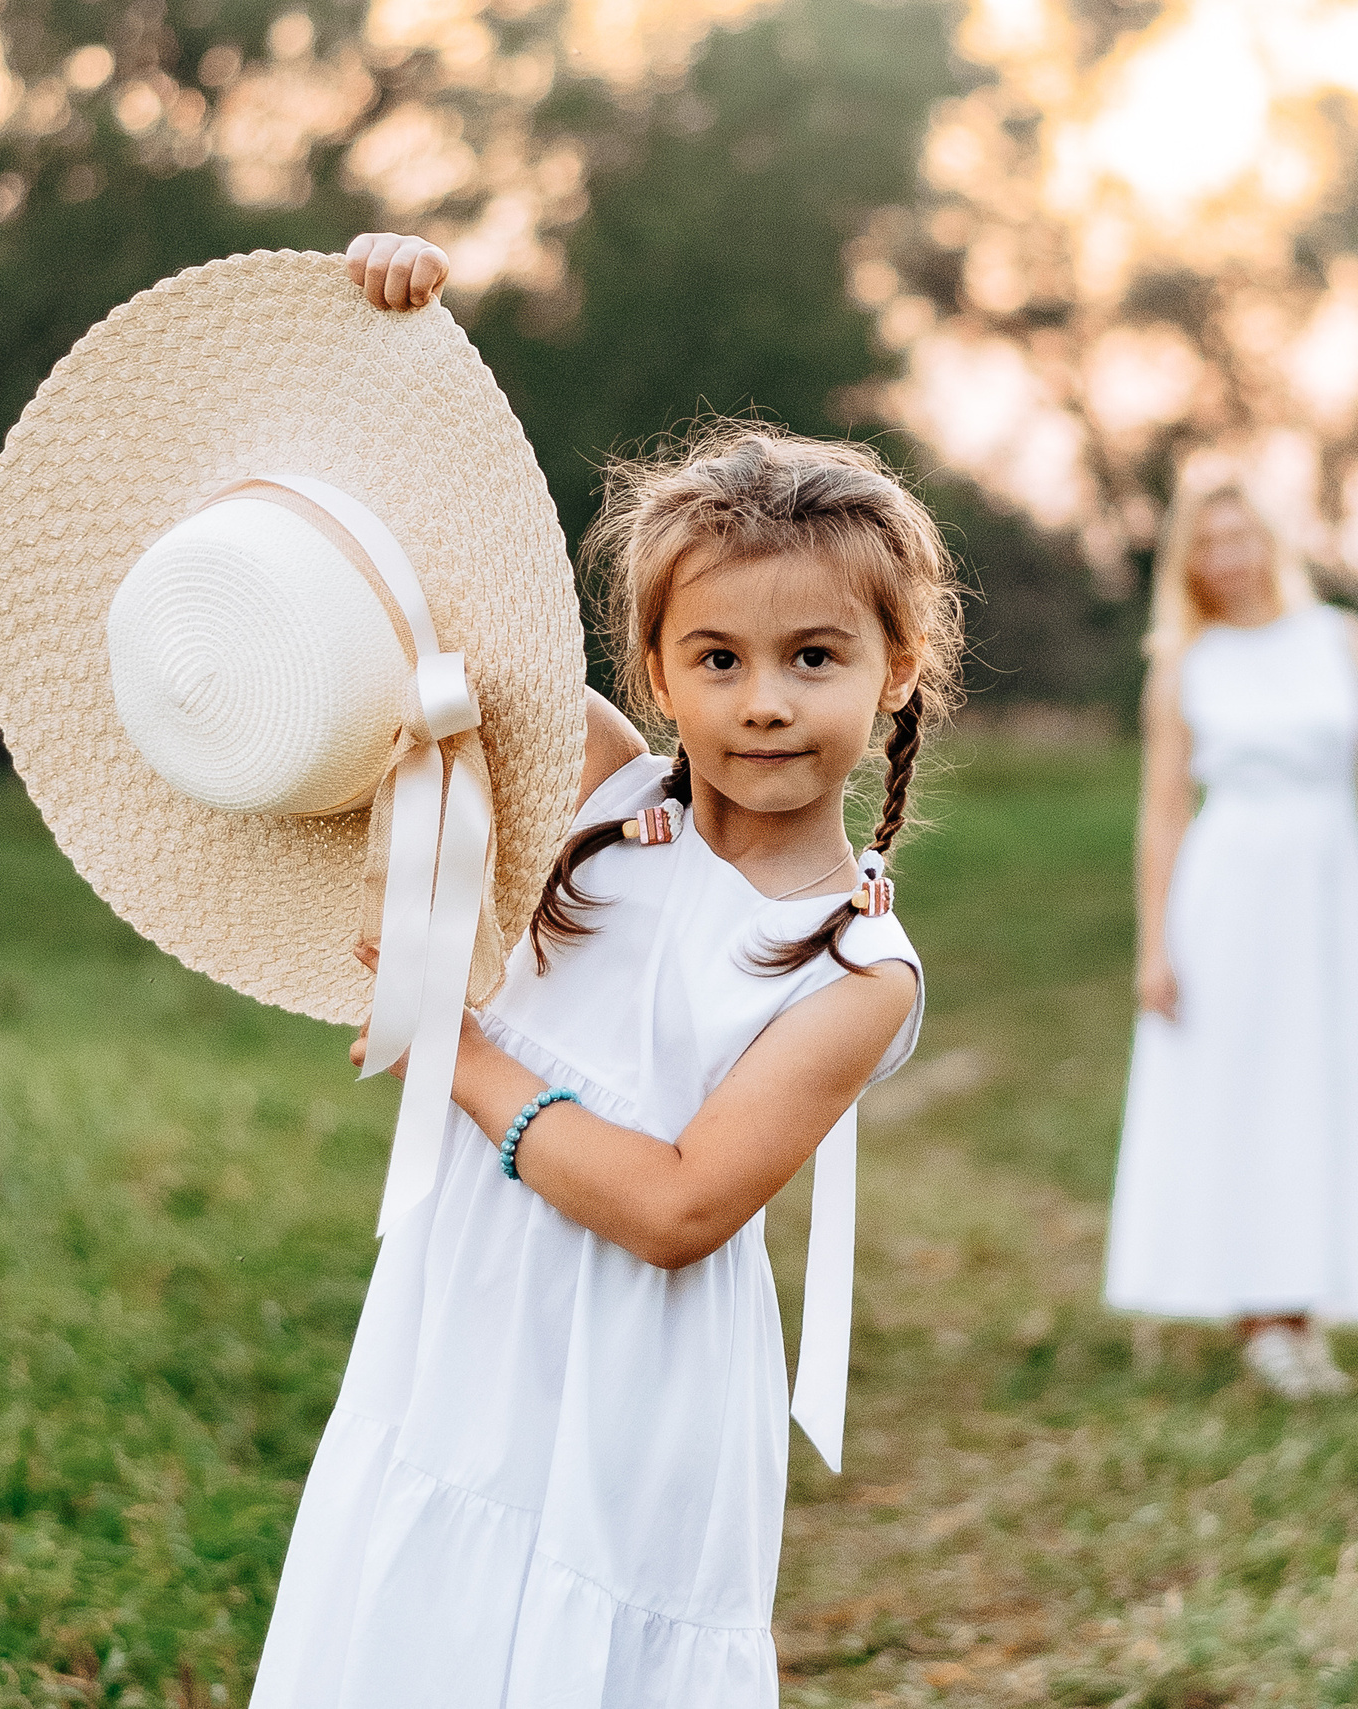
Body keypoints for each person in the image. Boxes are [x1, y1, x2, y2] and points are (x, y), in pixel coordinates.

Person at [253, 238, 964, 1705]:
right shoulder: (587, 783)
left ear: (896, 668)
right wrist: (394, 343)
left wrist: (454, 1050)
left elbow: (679, 1206)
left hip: (633, 1397)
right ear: (654, 669)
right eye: (716, 659)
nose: (763, 702)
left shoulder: (856, 970)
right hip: (467, 1322)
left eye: (814, 658)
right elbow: (407, 591)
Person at [1105, 480, 1358, 1398]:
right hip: (1230, 893)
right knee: (1242, 1090)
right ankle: (1258, 1312)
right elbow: (1164, 812)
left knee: (1320, 1083)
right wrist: (1155, 947)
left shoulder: (1341, 639)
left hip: (1328, 890)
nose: (1230, 557)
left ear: (1270, 541)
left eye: (1242, 535)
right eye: (1209, 542)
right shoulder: (1185, 661)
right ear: (1191, 559)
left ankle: (1304, 1303)